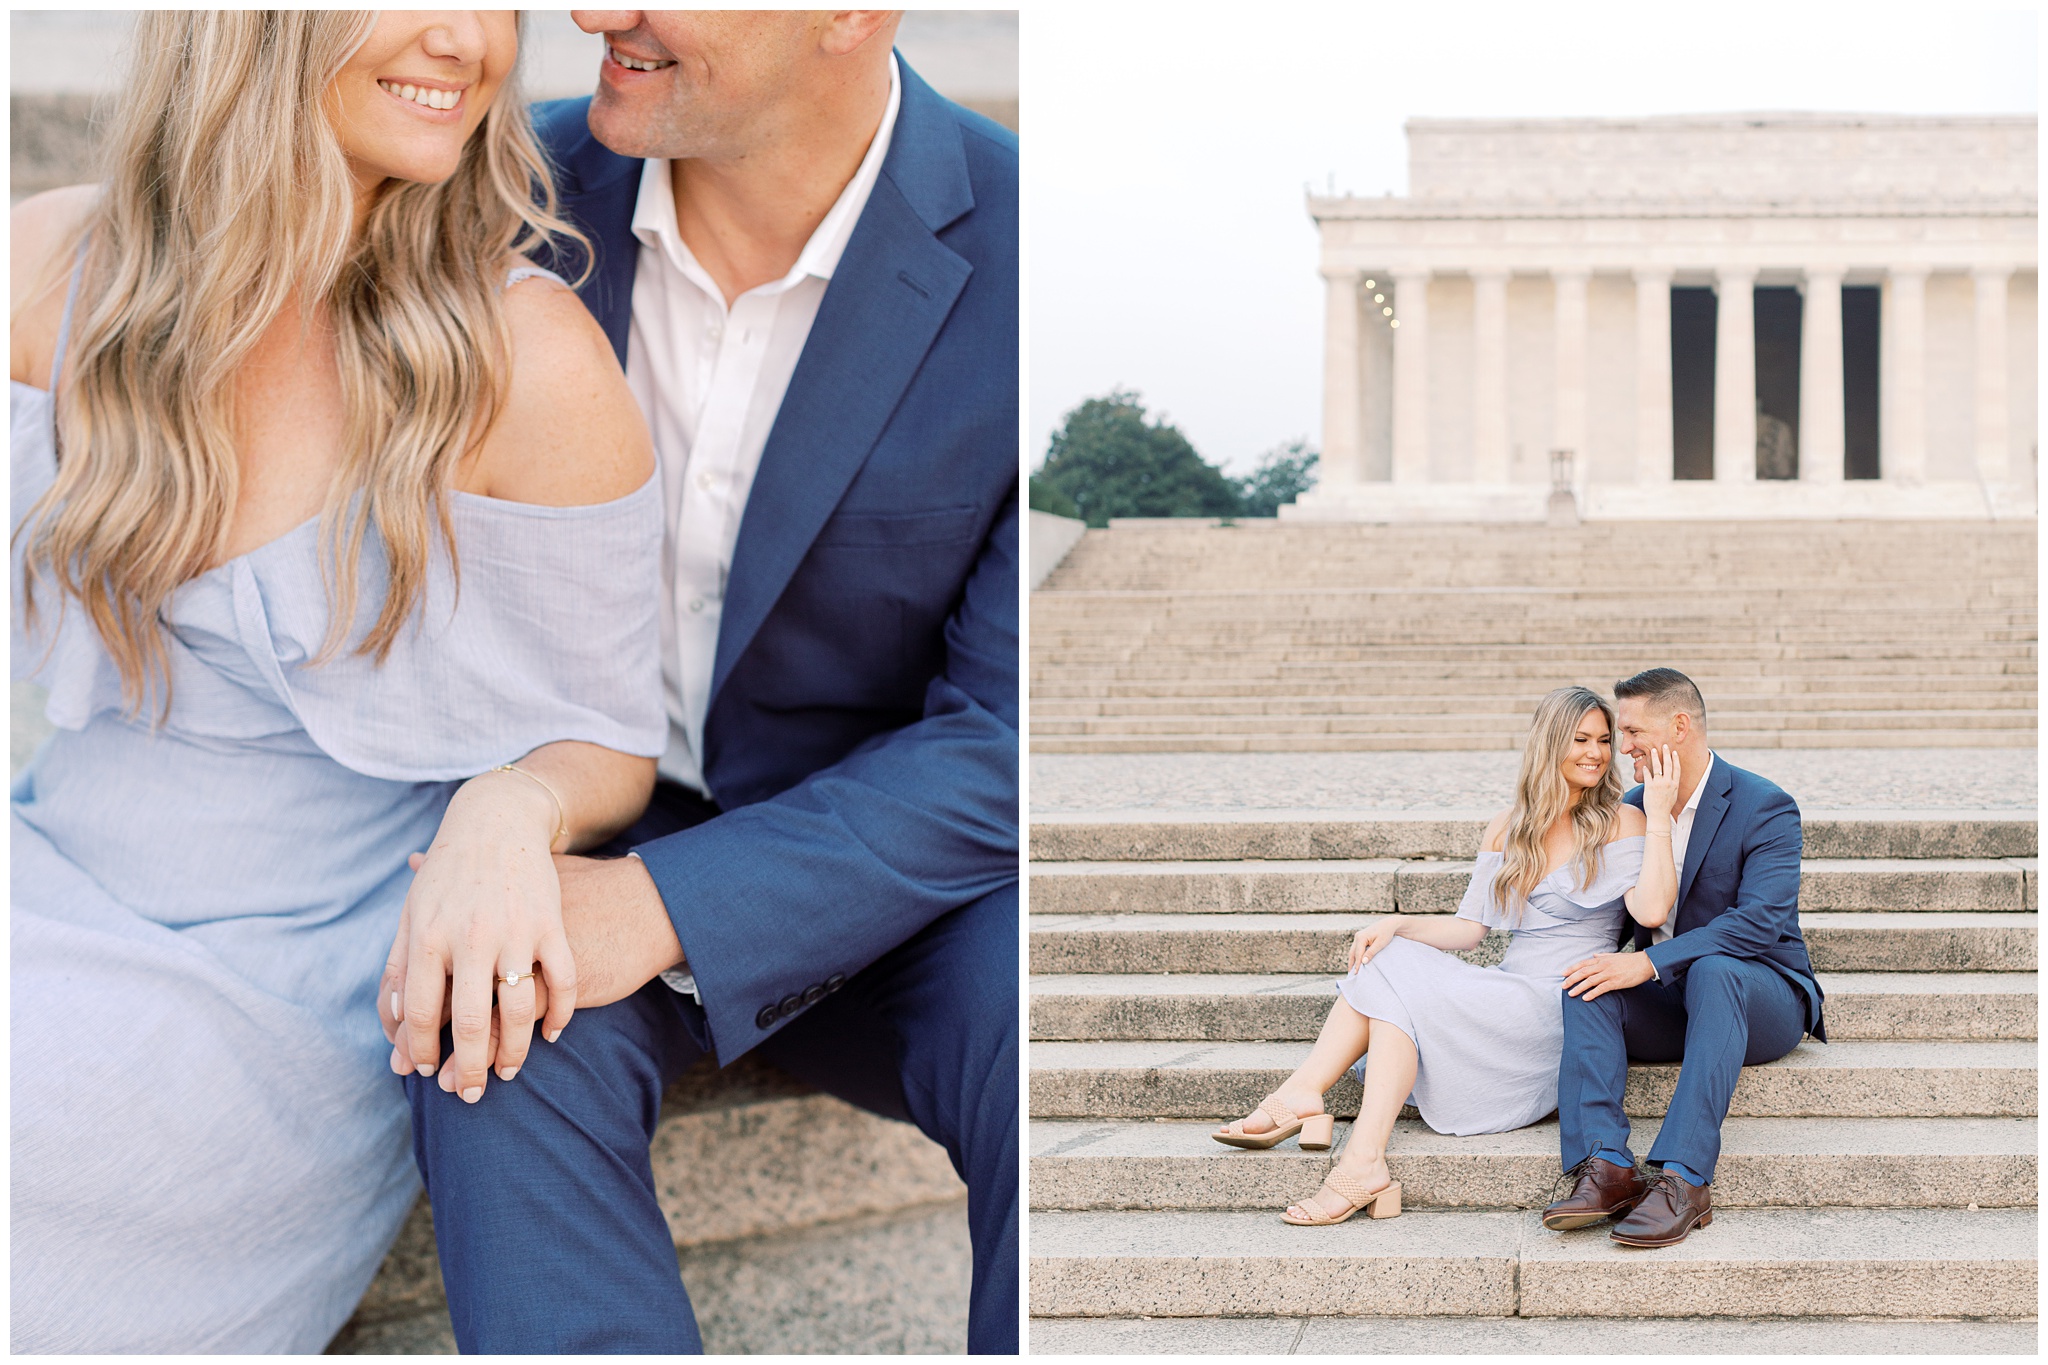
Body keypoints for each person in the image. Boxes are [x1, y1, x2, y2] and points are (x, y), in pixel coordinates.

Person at [11, 12, 667, 1352]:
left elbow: (607, 737)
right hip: (48, 875)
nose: (464, 38)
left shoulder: (524, 359)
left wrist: (506, 812)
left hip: (283, 991)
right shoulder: (53, 263)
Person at [386, 11, 1021, 1353]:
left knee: (1050, 1029)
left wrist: (671, 906)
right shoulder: (490, 197)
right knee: (488, 1029)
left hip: (910, 874)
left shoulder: (1045, 256)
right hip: (571, 816)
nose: (593, 11)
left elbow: (1013, 737)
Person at [1213, 687, 1679, 1226]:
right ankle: (1361, 1159)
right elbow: (1469, 930)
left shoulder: (1623, 822)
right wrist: (1397, 923)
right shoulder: (1511, 825)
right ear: (1549, 744)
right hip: (1509, 987)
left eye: (1603, 739)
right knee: (1393, 963)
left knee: (1395, 984)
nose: (1596, 752)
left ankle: (1305, 1096)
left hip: (1565, 1003)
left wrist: (1661, 817)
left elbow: (1650, 912)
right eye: (1580, 739)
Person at [1543, 667, 1825, 1247]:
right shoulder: (1634, 806)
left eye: (1632, 731)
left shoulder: (1765, 806)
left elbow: (1759, 923)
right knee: (1588, 982)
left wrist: (1647, 964)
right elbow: (1615, 909)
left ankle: (1684, 1180)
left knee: (1715, 970)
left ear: (1679, 726)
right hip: (1676, 999)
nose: (1622, 747)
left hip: (1759, 997)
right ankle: (1606, 1167)